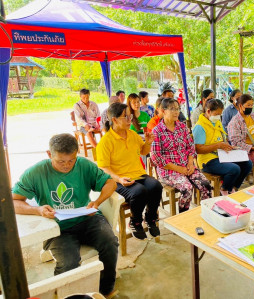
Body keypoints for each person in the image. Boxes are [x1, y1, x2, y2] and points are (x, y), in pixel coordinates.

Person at [12, 133, 118, 297]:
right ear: (49, 154)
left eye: (71, 160)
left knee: (110, 242)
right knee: (69, 263)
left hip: (87, 219)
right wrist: (37, 210)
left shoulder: (83, 165)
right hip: (58, 228)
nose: (67, 166)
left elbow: (110, 182)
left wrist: (97, 203)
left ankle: (106, 288)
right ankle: (66, 295)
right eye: (61, 161)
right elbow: (13, 201)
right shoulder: (37, 172)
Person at [96, 102, 162, 240]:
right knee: (139, 192)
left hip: (138, 174)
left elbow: (143, 151)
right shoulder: (106, 141)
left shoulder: (132, 134)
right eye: (125, 117)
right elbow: (103, 168)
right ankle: (135, 221)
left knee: (156, 186)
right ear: (114, 120)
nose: (129, 120)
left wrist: (148, 143)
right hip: (118, 179)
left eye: (130, 116)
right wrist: (119, 178)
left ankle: (150, 218)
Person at [151, 98, 212, 213]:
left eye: (178, 109)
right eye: (172, 109)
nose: (176, 112)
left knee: (206, 185)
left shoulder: (182, 127)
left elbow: (190, 147)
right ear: (163, 111)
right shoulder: (157, 131)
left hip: (187, 166)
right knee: (187, 189)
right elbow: (157, 158)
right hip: (169, 171)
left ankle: (206, 213)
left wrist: (190, 163)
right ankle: (183, 216)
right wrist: (179, 169)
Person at [193, 99, 252, 195]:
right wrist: (218, 145)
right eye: (216, 114)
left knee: (247, 163)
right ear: (208, 111)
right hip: (207, 161)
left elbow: (220, 139)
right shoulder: (200, 127)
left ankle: (232, 187)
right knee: (234, 169)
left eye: (220, 114)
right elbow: (198, 149)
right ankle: (224, 189)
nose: (218, 117)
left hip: (221, 155)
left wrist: (227, 146)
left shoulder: (216, 122)